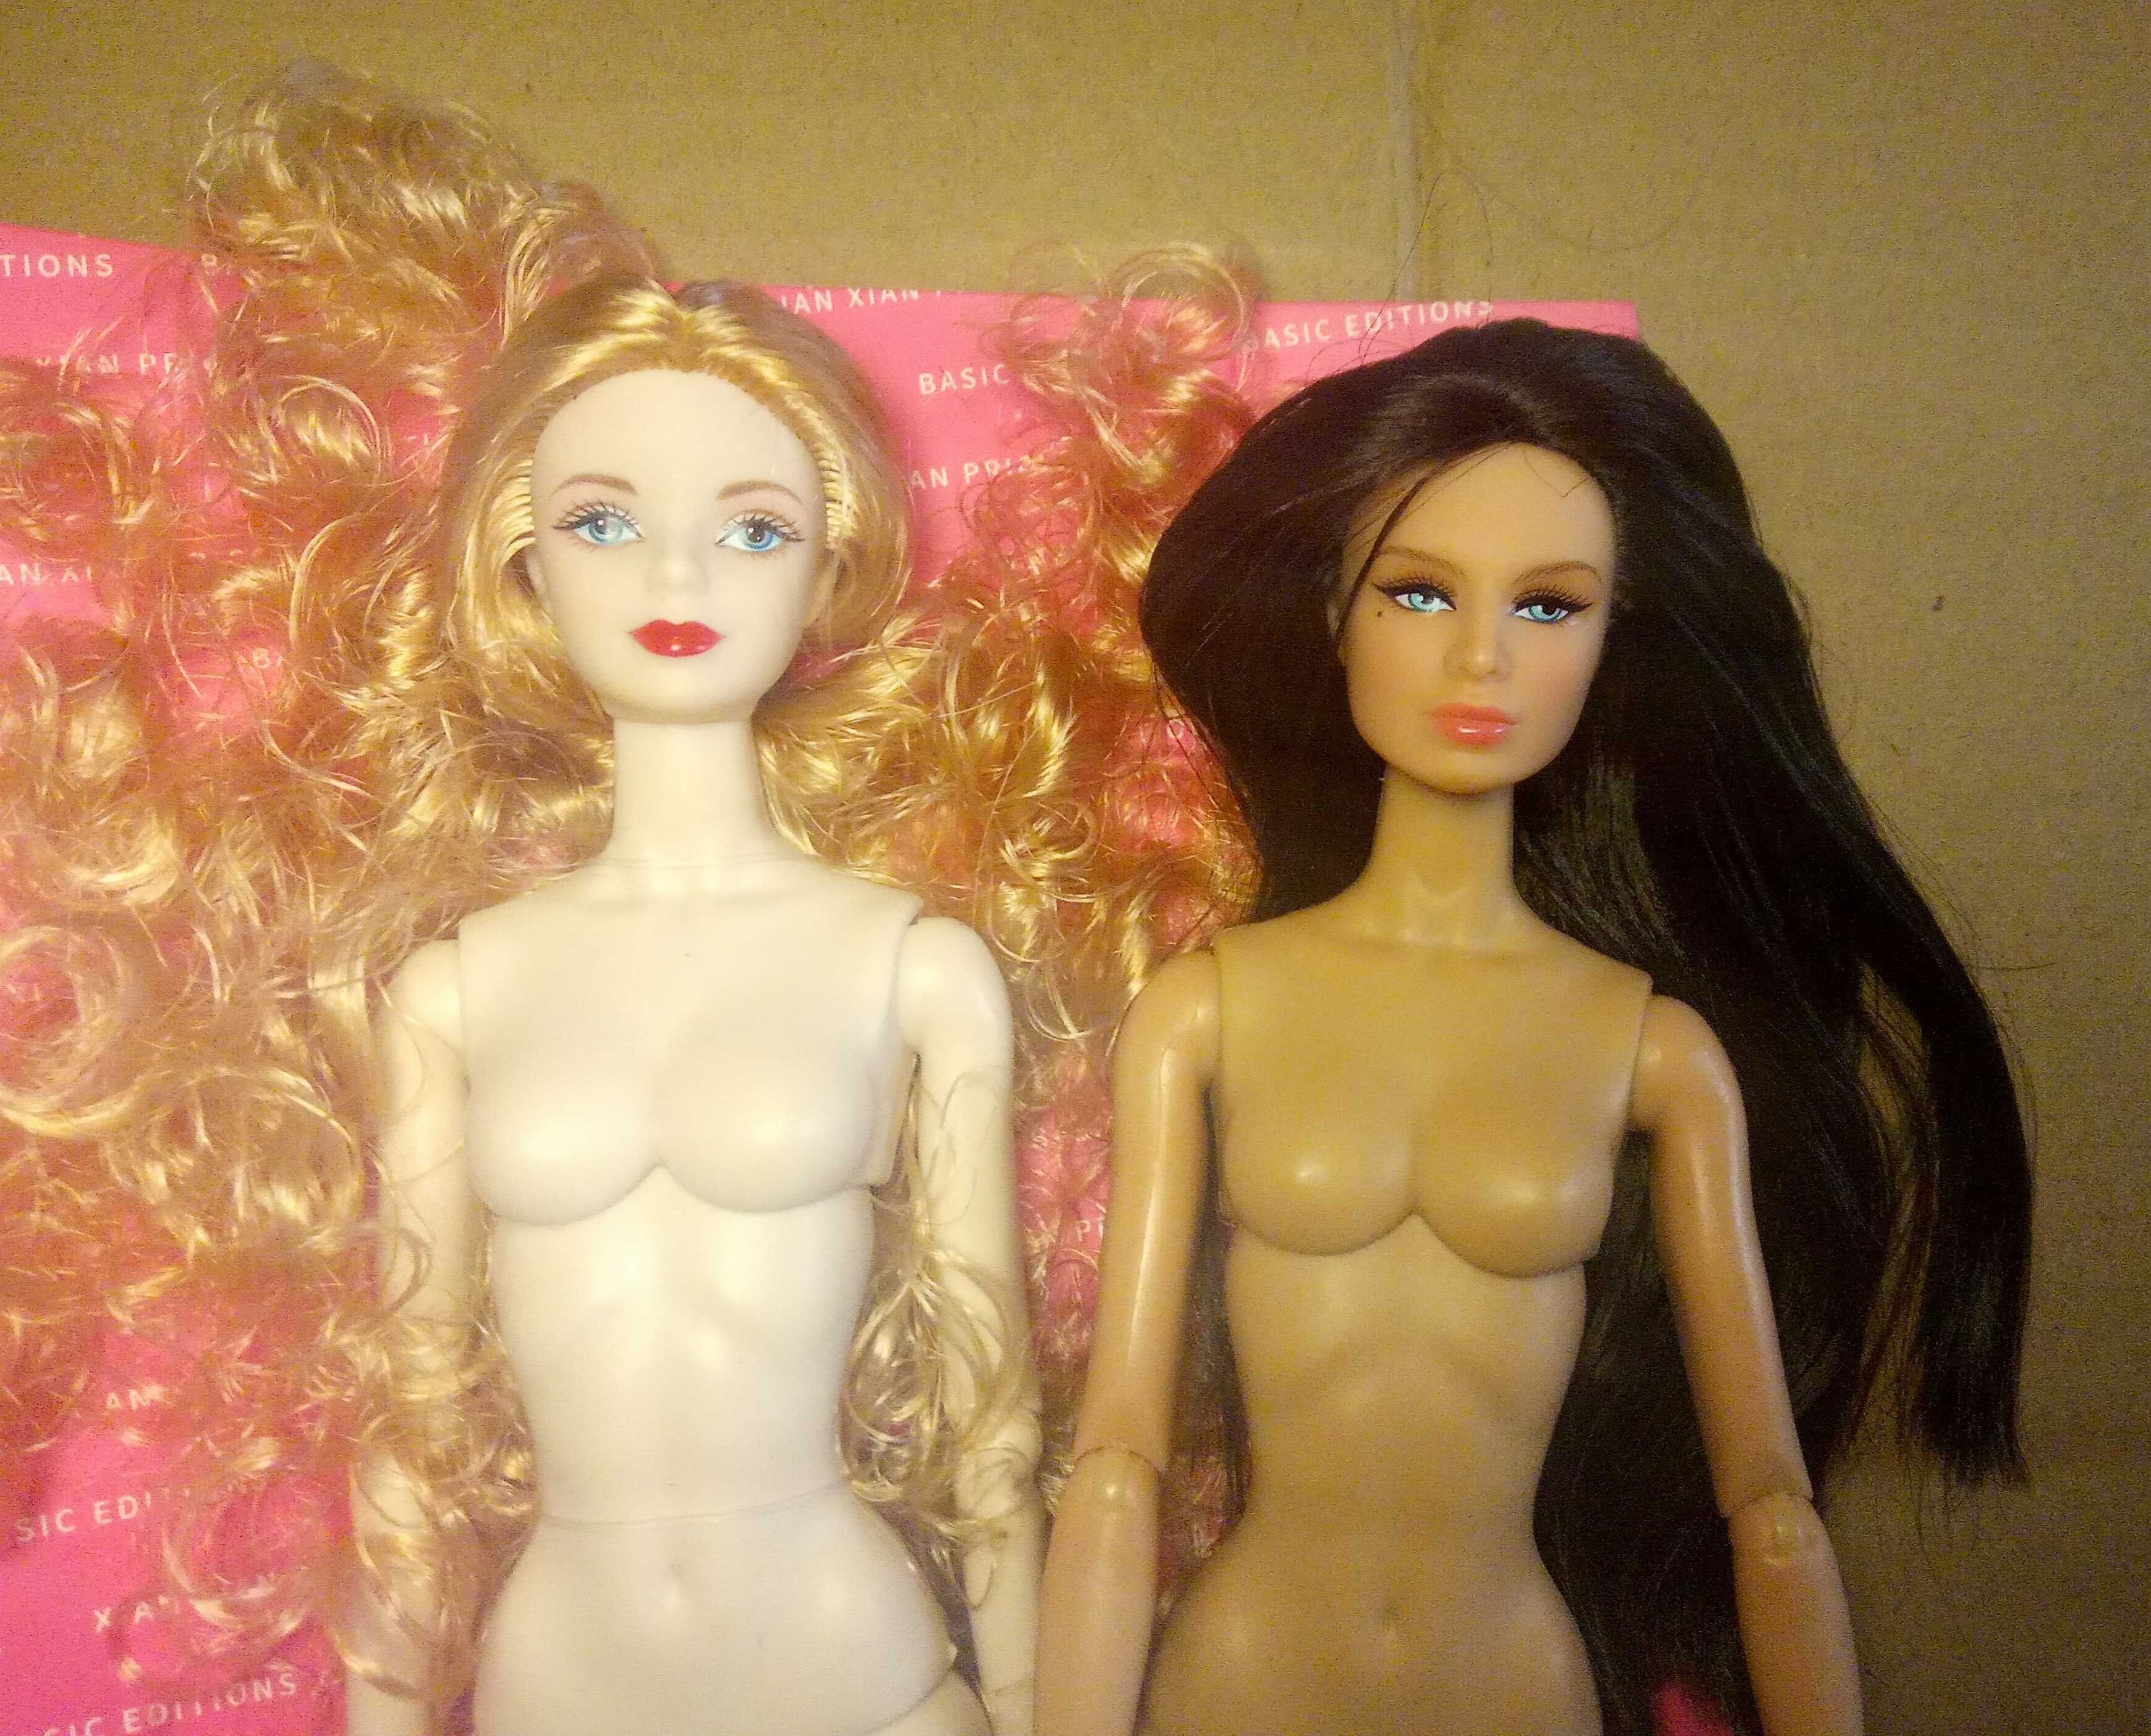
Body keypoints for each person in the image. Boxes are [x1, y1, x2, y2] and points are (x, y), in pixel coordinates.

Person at [0, 71, 1039, 1736]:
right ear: (524, 563)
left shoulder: (914, 968)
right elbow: (413, 1434)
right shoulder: (460, 989)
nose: (677, 576)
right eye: (605, 520)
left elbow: (994, 1429)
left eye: (752, 528)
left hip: (856, 1669)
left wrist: (1047, 1704)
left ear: (832, 562)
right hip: (564, 1677)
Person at [1031, 314, 2032, 1736]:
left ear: (1615, 645)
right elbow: (1117, 1458)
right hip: (1244, 1670)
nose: (1481, 659)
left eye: (1549, 607)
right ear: (1333, 616)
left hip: (1509, 1679)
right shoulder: (1208, 1011)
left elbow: (1768, 1505)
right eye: (1418, 593)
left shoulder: (1649, 1050)